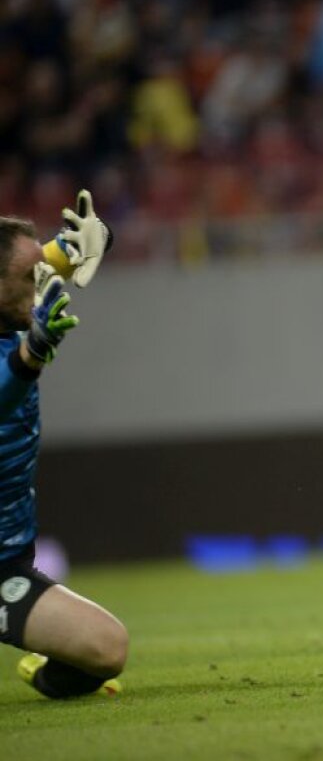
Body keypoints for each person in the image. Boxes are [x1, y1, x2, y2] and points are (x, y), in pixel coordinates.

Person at [0, 191, 127, 697]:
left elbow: (61, 252)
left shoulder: (17, 283)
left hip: (7, 562)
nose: (44, 279)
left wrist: (97, 238)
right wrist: (31, 355)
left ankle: (44, 672)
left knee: (106, 649)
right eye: (28, 275)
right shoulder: (22, 345)